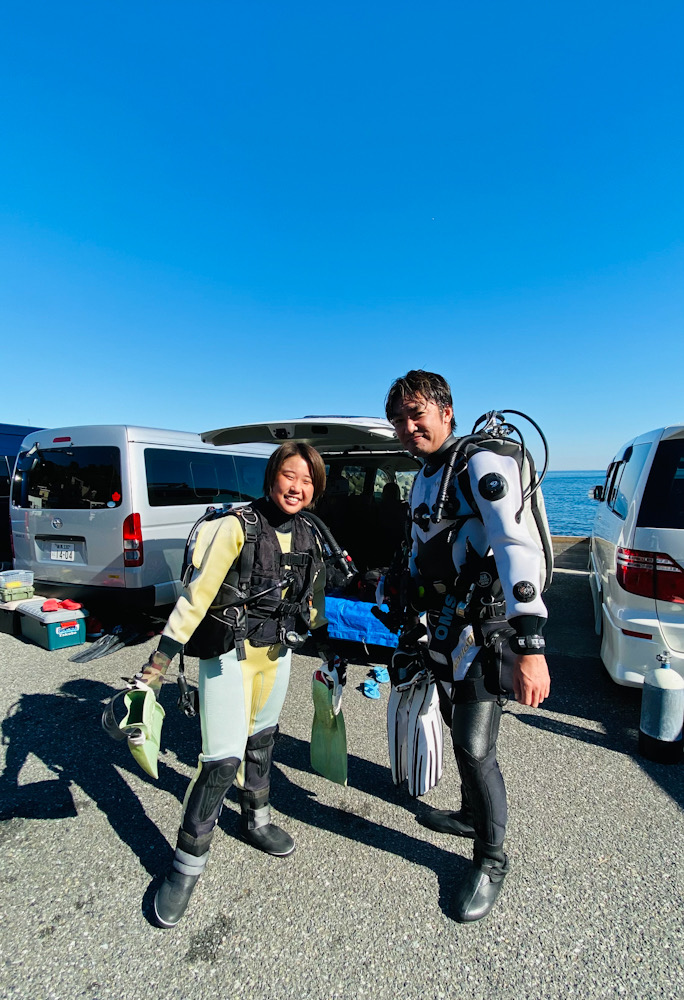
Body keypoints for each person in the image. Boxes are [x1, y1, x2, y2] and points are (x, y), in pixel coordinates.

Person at [133, 442, 331, 928]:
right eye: (290, 476)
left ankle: (256, 820)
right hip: (227, 658)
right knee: (221, 762)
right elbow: (195, 601)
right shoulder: (235, 527)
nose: (297, 487)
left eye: (307, 480)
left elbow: (314, 605)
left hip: (276, 657)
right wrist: (156, 668)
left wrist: (331, 656)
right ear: (271, 477)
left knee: (262, 745)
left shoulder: (308, 533)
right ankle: (185, 866)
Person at [384, 370, 551, 923]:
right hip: (446, 628)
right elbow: (420, 547)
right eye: (399, 422)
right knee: (458, 731)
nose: (409, 428)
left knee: (476, 746)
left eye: (417, 415)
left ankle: (492, 857)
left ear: (446, 412)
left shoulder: (479, 463)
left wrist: (531, 646)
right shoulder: (427, 476)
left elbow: (515, 544)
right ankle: (467, 812)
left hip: (488, 630)